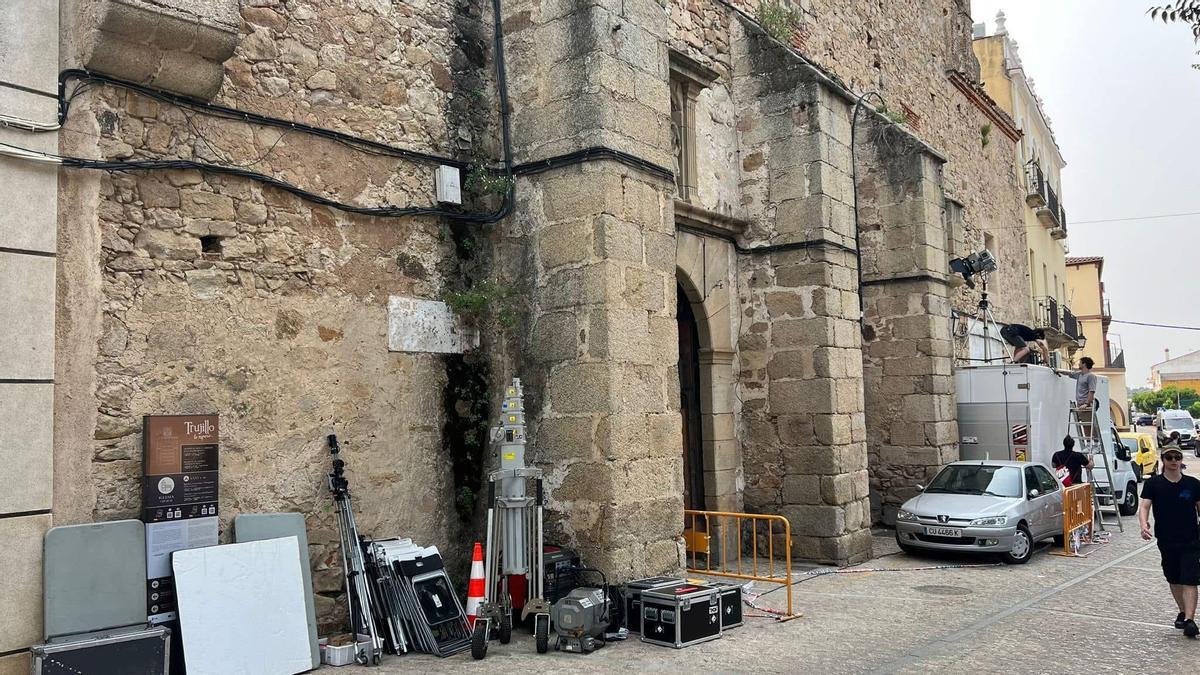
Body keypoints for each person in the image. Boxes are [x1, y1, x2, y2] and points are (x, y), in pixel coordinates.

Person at [1138, 446, 1200, 638]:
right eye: (1170, 457)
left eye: (1177, 457)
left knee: (1190, 579)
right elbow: (1145, 506)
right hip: (1166, 539)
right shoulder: (1154, 484)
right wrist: (1143, 524)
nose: (1174, 460)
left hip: (1191, 539)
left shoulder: (1193, 484)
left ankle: (1190, 621)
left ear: (1181, 460)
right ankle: (1182, 611)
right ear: (1163, 460)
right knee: (1173, 577)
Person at [1059, 357, 1098, 440]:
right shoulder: (1080, 375)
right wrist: (1058, 370)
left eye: (1080, 362)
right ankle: (1088, 442)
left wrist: (1086, 404)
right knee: (1084, 424)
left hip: (1086, 403)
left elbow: (1092, 391)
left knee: (1089, 424)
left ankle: (1096, 443)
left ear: (1084, 364)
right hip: (1080, 403)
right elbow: (1069, 373)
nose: (1078, 364)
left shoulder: (1091, 376)